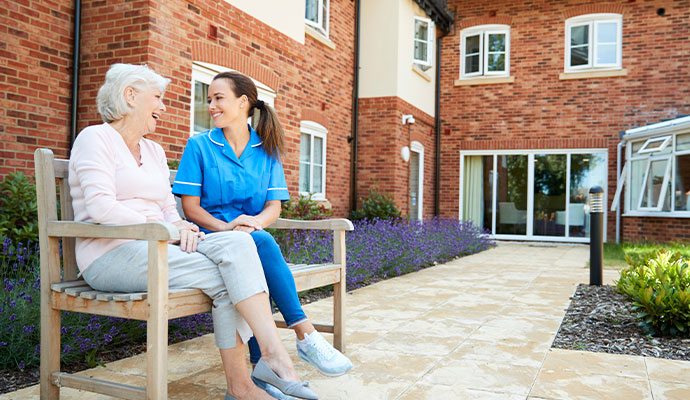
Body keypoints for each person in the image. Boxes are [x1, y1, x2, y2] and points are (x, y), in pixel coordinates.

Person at [68, 63, 318, 400]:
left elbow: (169, 208)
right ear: (130, 97)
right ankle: (263, 370)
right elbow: (100, 207)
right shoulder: (95, 138)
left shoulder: (153, 150)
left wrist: (183, 226)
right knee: (232, 274)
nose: (164, 106)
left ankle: (259, 371)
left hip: (159, 247)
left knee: (240, 245)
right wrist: (167, 228)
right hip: (110, 255)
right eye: (157, 98)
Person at [172, 71, 352, 398]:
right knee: (259, 246)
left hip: (249, 238)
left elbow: (274, 207)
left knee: (256, 247)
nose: (211, 105)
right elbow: (191, 209)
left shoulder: (266, 149)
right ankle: (305, 335)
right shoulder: (199, 145)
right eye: (209, 99)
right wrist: (229, 228)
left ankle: (261, 371)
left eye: (218, 98)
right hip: (211, 240)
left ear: (243, 102)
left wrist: (253, 223)